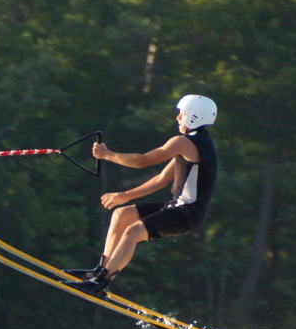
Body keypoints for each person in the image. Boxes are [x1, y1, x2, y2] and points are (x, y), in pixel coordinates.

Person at [64, 95, 218, 297]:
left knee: (134, 231)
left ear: (194, 118)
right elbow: (162, 179)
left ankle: (100, 284)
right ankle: (100, 271)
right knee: (122, 215)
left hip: (188, 213)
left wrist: (107, 154)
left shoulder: (183, 143)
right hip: (178, 207)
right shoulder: (195, 143)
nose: (178, 118)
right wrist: (126, 196)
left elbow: (141, 161)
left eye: (182, 114)